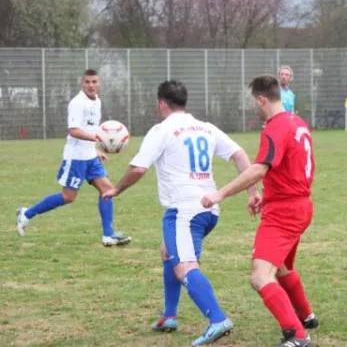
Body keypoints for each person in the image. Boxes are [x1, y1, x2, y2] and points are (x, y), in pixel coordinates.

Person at [101, 80, 257, 345]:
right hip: (209, 210)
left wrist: (116, 190)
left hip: (184, 211)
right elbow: (239, 155)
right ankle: (169, 316)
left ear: (162, 103)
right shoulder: (206, 128)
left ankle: (217, 319)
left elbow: (138, 168)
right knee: (167, 252)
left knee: (184, 266)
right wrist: (252, 192)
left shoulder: (162, 130)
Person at [201, 74, 318, 347]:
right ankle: (306, 316)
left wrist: (220, 193)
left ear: (261, 99)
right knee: (283, 267)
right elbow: (291, 167)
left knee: (260, 276)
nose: (254, 106)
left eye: (254, 101)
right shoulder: (297, 122)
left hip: (284, 214)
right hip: (299, 205)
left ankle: (298, 337)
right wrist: (267, 196)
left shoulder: (275, 127)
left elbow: (259, 168)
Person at [16, 69, 131, 247]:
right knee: (68, 197)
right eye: (87, 82)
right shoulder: (77, 103)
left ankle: (108, 235)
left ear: (99, 83)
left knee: (107, 191)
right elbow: (74, 130)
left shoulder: (97, 101)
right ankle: (26, 214)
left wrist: (95, 149)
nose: (91, 85)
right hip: (76, 157)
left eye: (94, 82)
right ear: (82, 83)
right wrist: (98, 139)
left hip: (90, 155)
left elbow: (90, 128)